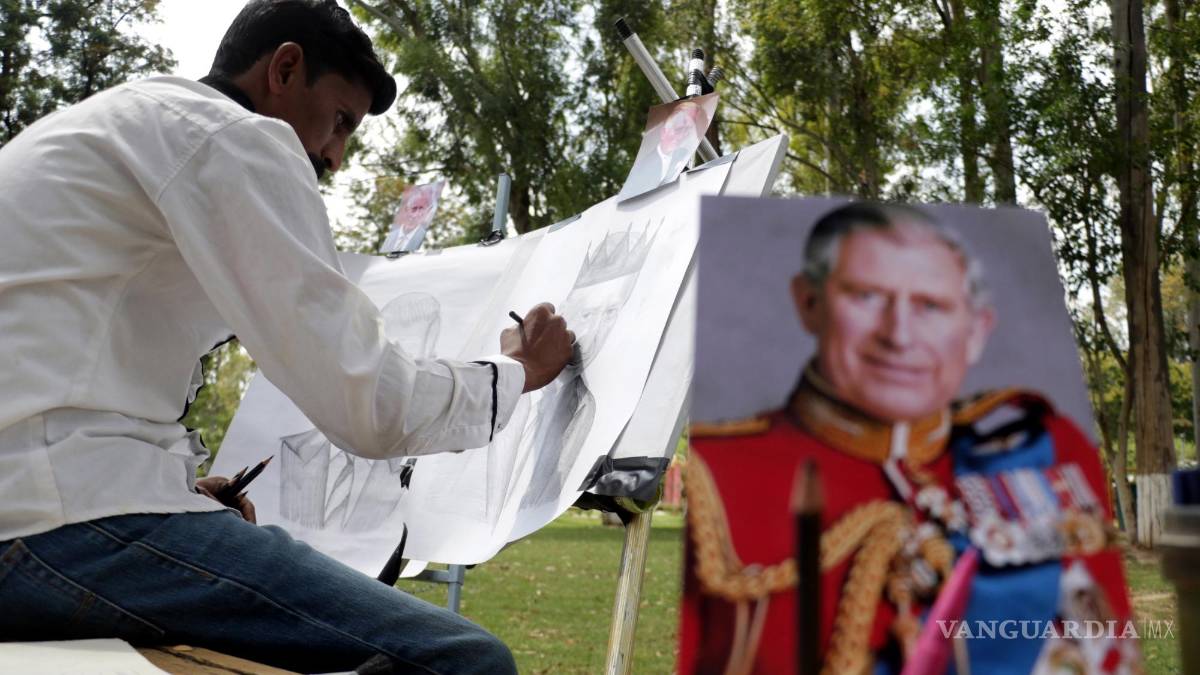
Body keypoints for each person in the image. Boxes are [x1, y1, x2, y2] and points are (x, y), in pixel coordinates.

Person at [0, 1, 573, 673]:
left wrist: (175, 486)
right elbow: (372, 405)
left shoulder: (113, 125)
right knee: (461, 660)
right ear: (285, 68)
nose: (335, 155)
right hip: (56, 526)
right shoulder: (231, 136)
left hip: (35, 515)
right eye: (339, 121)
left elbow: (69, 371)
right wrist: (515, 372)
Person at [678, 203, 1141, 674]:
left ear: (976, 331)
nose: (899, 335)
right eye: (866, 296)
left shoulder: (1047, 449)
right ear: (809, 303)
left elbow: (1109, 647)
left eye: (930, 305)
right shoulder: (716, 475)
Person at [618, 99, 709, 200]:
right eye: (680, 125)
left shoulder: (684, 161)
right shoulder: (641, 168)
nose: (681, 135)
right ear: (664, 129)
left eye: (688, 129)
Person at [383, 181, 442, 253]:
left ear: (427, 211)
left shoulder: (428, 238)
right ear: (407, 210)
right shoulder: (390, 237)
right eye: (414, 209)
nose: (417, 214)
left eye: (421, 209)